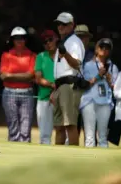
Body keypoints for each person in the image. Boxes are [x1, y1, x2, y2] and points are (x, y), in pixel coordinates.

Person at [52, 12, 85, 146]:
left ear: (72, 25)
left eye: (64, 24)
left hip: (70, 85)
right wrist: (55, 90)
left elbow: (77, 64)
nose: (60, 27)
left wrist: (65, 54)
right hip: (60, 86)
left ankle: (74, 158)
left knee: (70, 124)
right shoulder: (64, 42)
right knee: (59, 126)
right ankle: (58, 157)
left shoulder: (75, 42)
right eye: (58, 24)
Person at [80, 38, 118, 148]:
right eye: (102, 47)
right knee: (90, 136)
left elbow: (115, 88)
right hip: (89, 101)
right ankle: (88, 163)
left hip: (105, 102)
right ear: (97, 49)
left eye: (107, 48)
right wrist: (98, 76)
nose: (104, 50)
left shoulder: (113, 67)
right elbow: (84, 84)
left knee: (103, 136)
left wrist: (109, 80)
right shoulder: (87, 65)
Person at [0, 26, 36, 142]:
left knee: (26, 128)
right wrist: (24, 76)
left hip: (27, 92)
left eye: (22, 38)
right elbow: (2, 76)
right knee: (13, 126)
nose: (19, 40)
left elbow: (31, 75)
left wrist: (10, 76)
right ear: (12, 40)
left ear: (26, 39)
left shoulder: (32, 55)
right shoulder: (6, 55)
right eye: (16, 38)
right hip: (9, 92)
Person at [34, 30, 58, 145]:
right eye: (45, 41)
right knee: (44, 135)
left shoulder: (63, 56)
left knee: (63, 131)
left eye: (50, 39)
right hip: (44, 97)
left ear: (56, 39)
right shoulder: (40, 56)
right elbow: (38, 78)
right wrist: (52, 85)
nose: (48, 43)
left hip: (61, 97)